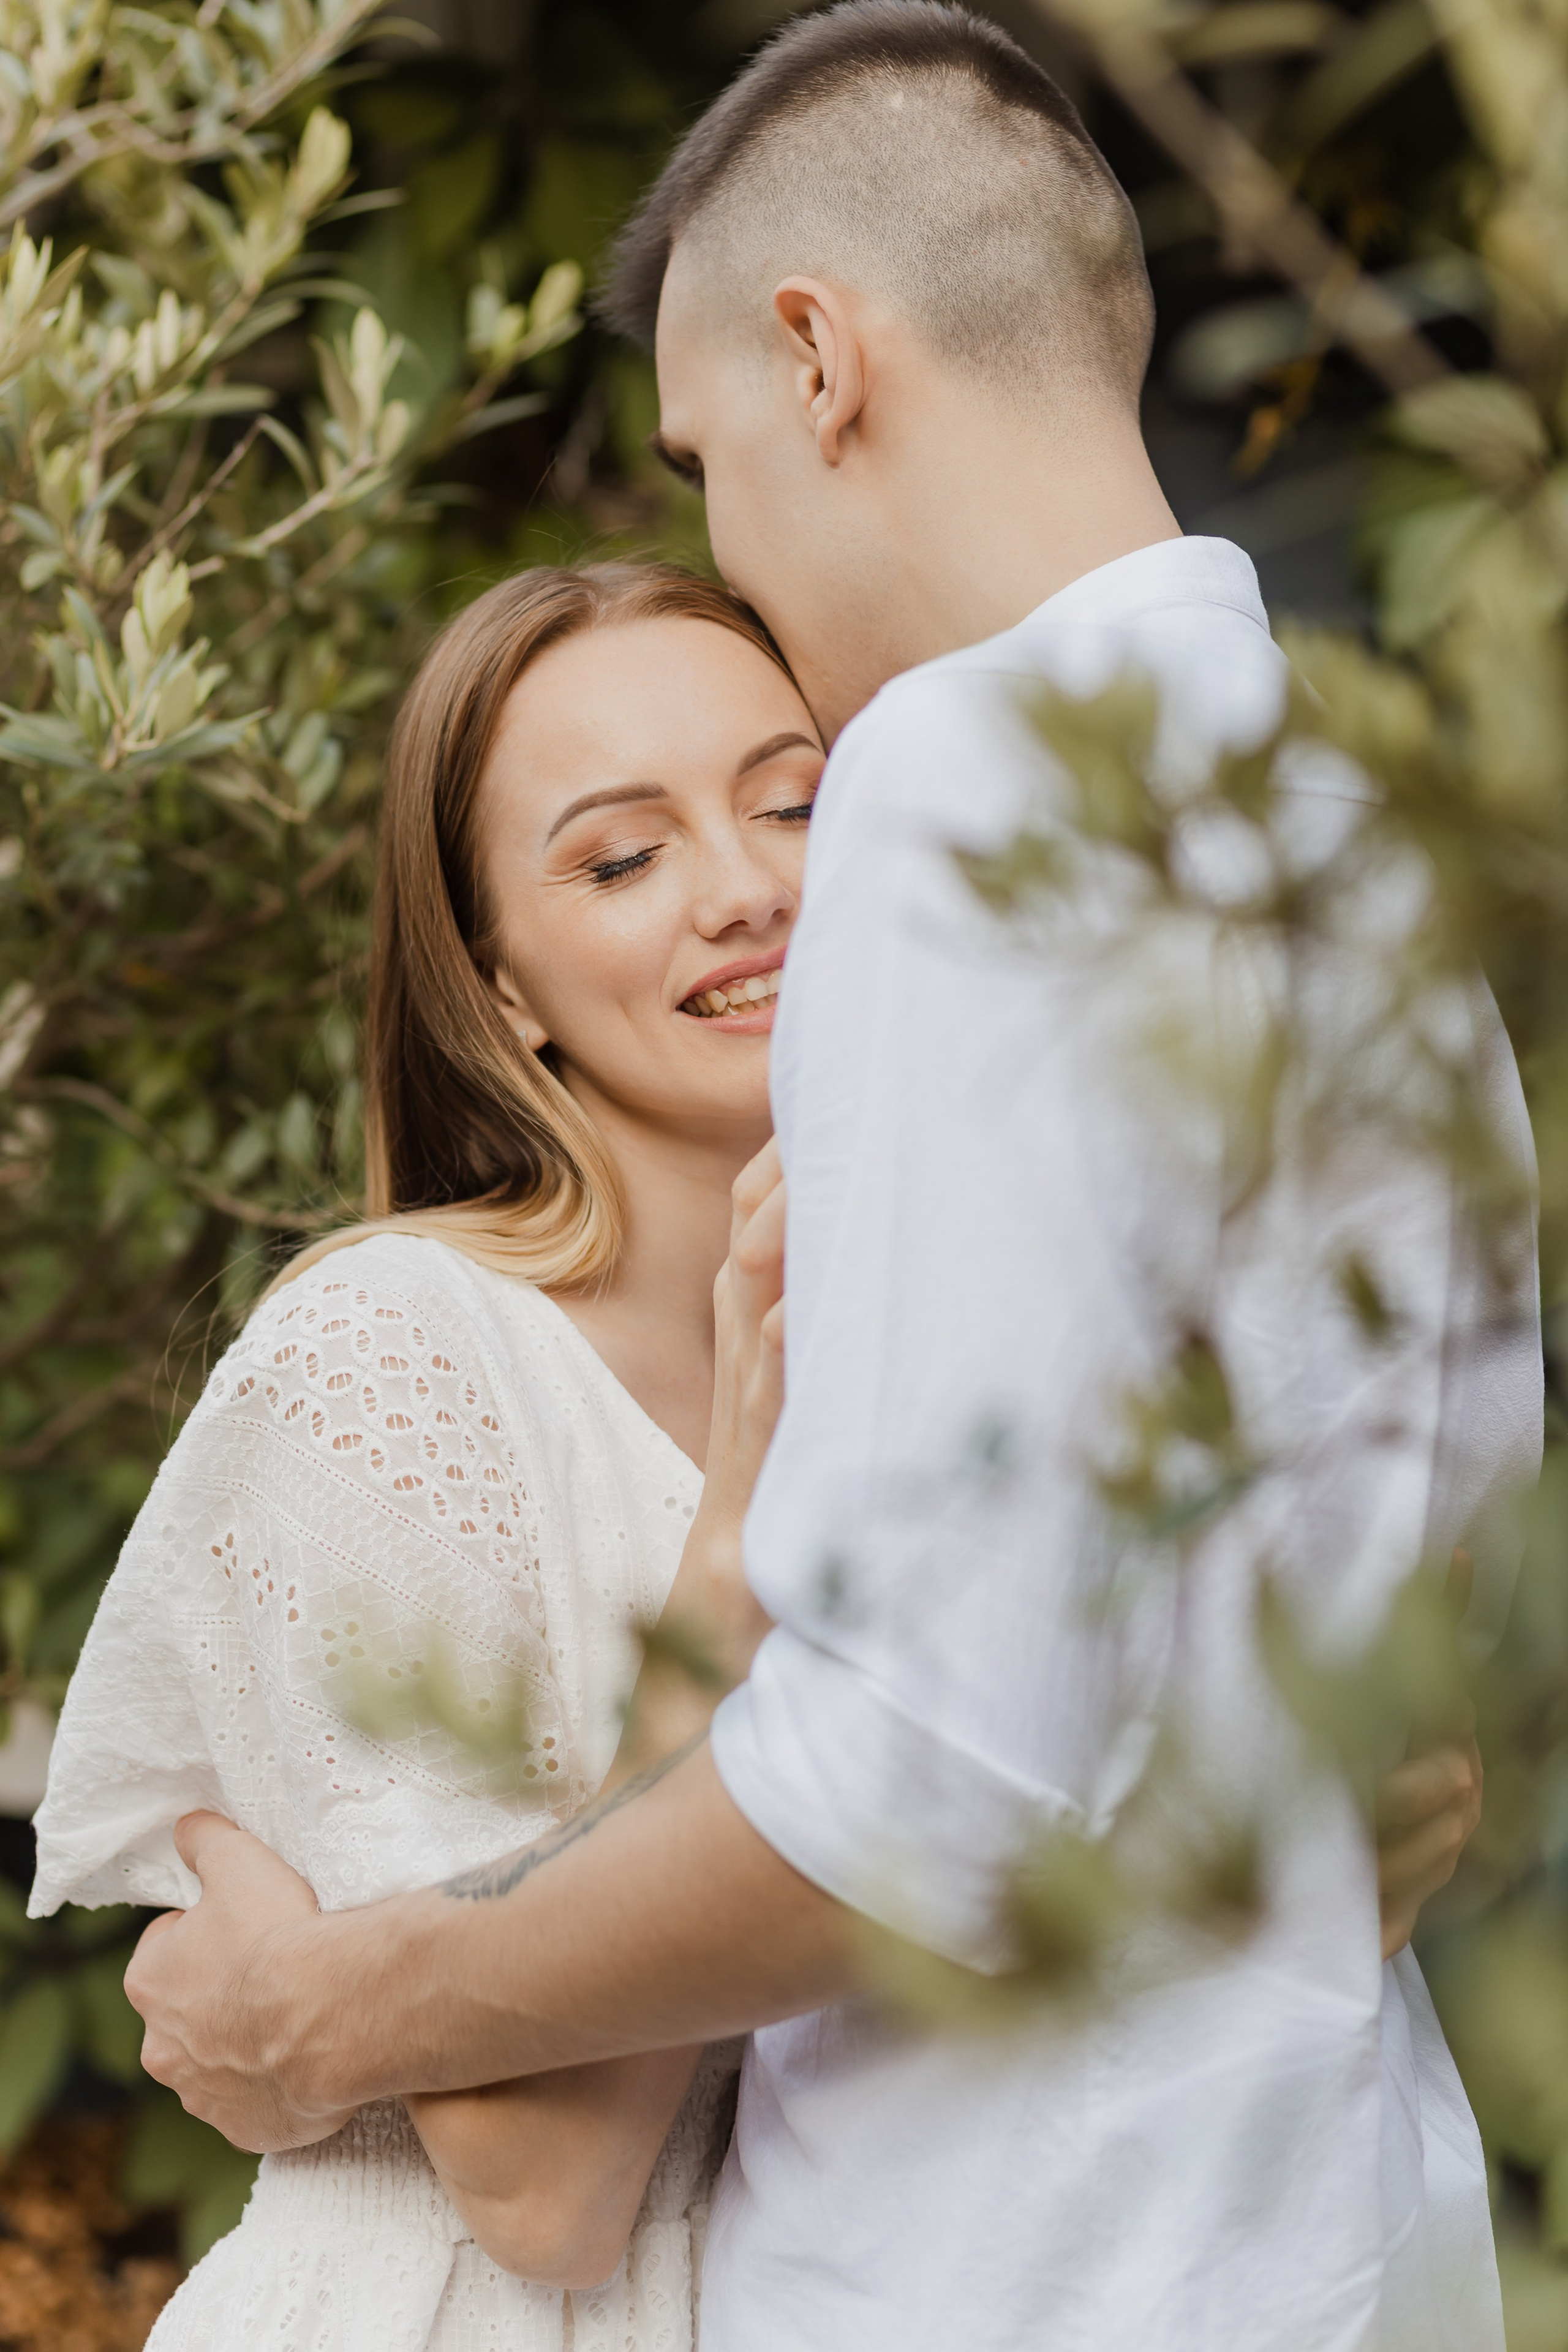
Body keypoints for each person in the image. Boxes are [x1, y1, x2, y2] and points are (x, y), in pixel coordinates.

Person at [119, 7, 1541, 2350]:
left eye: (702, 458)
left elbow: (924, 1776)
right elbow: (1421, 1685)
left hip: (1016, 2272)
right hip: (1340, 2230)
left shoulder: (969, 783)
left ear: (818, 358)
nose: (725, 540)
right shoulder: (1356, 819)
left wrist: (329, 2010)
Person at [31, 562, 815, 2350]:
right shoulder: (391, 1359)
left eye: (795, 805)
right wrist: (729, 1566)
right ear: (498, 983)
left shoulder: (964, 1331)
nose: (747, 888)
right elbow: (545, 2184)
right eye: (622, 858)